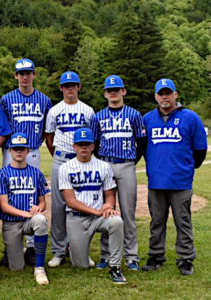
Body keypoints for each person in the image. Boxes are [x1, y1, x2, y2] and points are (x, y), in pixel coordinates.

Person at [142, 78, 207, 276]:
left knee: (183, 221)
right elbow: (142, 147)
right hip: (156, 181)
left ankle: (186, 259)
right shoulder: (147, 119)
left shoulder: (190, 118)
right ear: (155, 96)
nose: (165, 97)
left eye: (168, 93)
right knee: (156, 222)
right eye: (161, 93)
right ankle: (156, 255)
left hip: (180, 181)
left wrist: (186, 168)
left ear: (176, 95)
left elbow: (200, 150)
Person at [89, 75, 146, 270]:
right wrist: (102, 164)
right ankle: (106, 255)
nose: (113, 93)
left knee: (128, 213)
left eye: (117, 89)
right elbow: (94, 144)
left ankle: (132, 256)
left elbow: (142, 142)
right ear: (105, 94)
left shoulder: (134, 114)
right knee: (106, 211)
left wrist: (131, 161)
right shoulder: (98, 117)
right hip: (105, 165)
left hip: (126, 165)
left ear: (124, 91)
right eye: (109, 90)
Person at [0, 58, 52, 265]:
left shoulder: (44, 100)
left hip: (33, 149)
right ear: (15, 76)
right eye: (21, 73)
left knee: (31, 192)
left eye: (28, 73)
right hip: (10, 151)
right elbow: (2, 128)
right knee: (10, 193)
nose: (24, 77)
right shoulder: (6, 99)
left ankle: (31, 245)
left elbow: (48, 129)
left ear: (34, 75)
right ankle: (10, 243)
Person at [59, 128, 127, 284]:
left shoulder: (103, 166)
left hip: (98, 218)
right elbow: (70, 201)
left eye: (87, 144)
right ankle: (72, 246)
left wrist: (109, 206)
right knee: (80, 266)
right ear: (74, 146)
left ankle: (115, 266)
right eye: (80, 144)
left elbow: (110, 194)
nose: (84, 147)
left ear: (93, 146)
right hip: (76, 218)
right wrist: (96, 211)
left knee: (116, 221)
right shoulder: (65, 168)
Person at [44, 71, 95, 267]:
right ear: (61, 88)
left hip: (82, 161)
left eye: (73, 85)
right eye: (66, 85)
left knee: (82, 205)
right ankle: (58, 251)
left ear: (79, 87)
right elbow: (49, 137)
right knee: (58, 207)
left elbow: (93, 138)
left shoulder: (88, 110)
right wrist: (58, 156)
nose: (70, 88)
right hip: (62, 158)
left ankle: (80, 249)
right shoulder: (55, 110)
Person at [0, 133, 51, 285]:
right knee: (16, 267)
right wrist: (27, 213)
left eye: (22, 149)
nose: (19, 152)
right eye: (15, 149)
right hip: (11, 222)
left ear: (28, 151)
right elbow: (4, 206)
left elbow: (42, 202)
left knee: (40, 219)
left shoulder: (36, 173)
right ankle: (19, 251)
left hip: (30, 221)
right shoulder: (3, 173)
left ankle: (39, 267)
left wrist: (38, 209)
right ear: (10, 151)